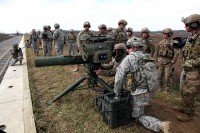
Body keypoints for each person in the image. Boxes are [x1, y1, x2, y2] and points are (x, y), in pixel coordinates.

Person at [113, 39, 171, 133]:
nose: (128, 49)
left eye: (129, 47)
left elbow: (119, 77)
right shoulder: (147, 57)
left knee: (137, 116)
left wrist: (117, 92)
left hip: (140, 92)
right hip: (150, 89)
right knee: (136, 104)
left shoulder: (129, 58)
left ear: (133, 47)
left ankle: (160, 125)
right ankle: (140, 105)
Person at [177, 14, 200, 122]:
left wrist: (192, 63)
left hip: (195, 71)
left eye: (187, 25)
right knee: (182, 89)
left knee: (189, 92)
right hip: (187, 69)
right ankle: (187, 107)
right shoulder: (192, 36)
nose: (185, 27)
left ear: (195, 24)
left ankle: (189, 113)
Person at [156, 28, 179, 93]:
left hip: (168, 62)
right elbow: (157, 52)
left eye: (165, 34)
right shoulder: (161, 42)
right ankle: (160, 88)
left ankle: (167, 90)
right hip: (160, 61)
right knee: (159, 76)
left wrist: (172, 62)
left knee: (167, 77)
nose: (164, 35)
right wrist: (157, 61)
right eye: (163, 34)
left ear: (169, 34)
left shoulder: (174, 43)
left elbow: (177, 53)